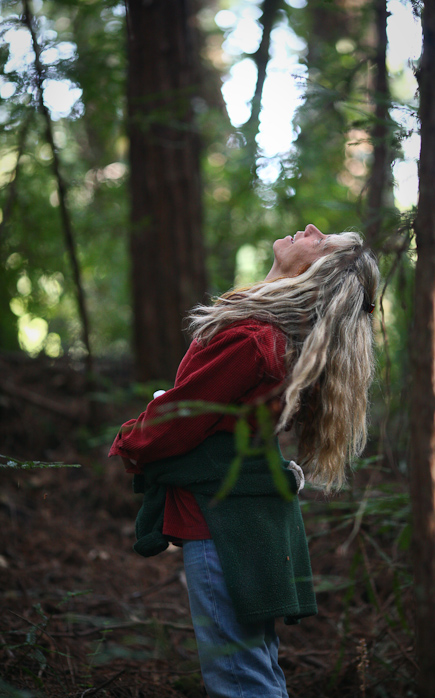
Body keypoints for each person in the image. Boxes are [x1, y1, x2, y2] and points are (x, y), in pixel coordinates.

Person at [109, 224, 379, 698]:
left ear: (317, 270)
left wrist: (130, 441)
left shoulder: (258, 339)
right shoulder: (272, 336)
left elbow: (179, 420)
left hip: (226, 522)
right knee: (254, 668)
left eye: (324, 240)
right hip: (243, 517)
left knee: (239, 679)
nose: (311, 228)